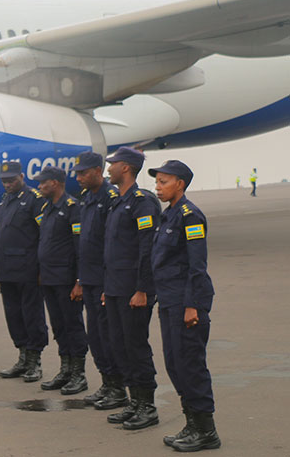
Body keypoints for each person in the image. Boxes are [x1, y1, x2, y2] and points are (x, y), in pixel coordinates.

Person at [149, 160, 221, 452]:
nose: (158, 187)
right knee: (174, 364)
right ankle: (192, 423)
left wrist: (192, 305)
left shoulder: (190, 216)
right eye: (157, 182)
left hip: (185, 303)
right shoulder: (168, 216)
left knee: (191, 365)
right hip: (169, 300)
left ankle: (206, 430)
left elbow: (197, 265)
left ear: (180, 183)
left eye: (163, 182)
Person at [103, 146, 161, 429]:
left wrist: (143, 289)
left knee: (135, 345)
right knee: (119, 345)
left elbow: (146, 249)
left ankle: (147, 406)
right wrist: (107, 286)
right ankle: (133, 402)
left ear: (125, 167)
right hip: (115, 288)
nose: (109, 168)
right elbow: (113, 250)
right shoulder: (117, 201)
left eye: (112, 164)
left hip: (133, 290)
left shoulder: (143, 202)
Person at [74, 151, 128, 409]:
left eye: (83, 172)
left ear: (98, 171)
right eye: (77, 173)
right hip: (89, 279)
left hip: (105, 281)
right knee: (95, 336)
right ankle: (107, 383)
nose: (79, 177)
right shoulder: (87, 198)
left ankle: (118, 388)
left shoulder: (110, 198)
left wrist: (108, 282)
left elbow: (111, 244)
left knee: (109, 337)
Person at [34, 165, 88, 394]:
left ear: (54, 183)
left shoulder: (72, 208)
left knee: (72, 325)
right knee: (58, 326)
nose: (39, 186)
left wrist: (79, 280)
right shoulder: (48, 208)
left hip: (67, 280)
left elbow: (79, 247)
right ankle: (65, 369)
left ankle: (78, 373)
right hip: (49, 278)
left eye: (42, 182)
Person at [0, 161, 48, 382]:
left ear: (22, 177)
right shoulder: (5, 201)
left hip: (27, 268)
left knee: (31, 314)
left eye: (11, 180)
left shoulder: (34, 199)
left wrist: (41, 266)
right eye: (4, 180)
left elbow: (44, 233)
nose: (7, 184)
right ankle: (23, 356)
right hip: (7, 269)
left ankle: (35, 360)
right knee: (13, 315)